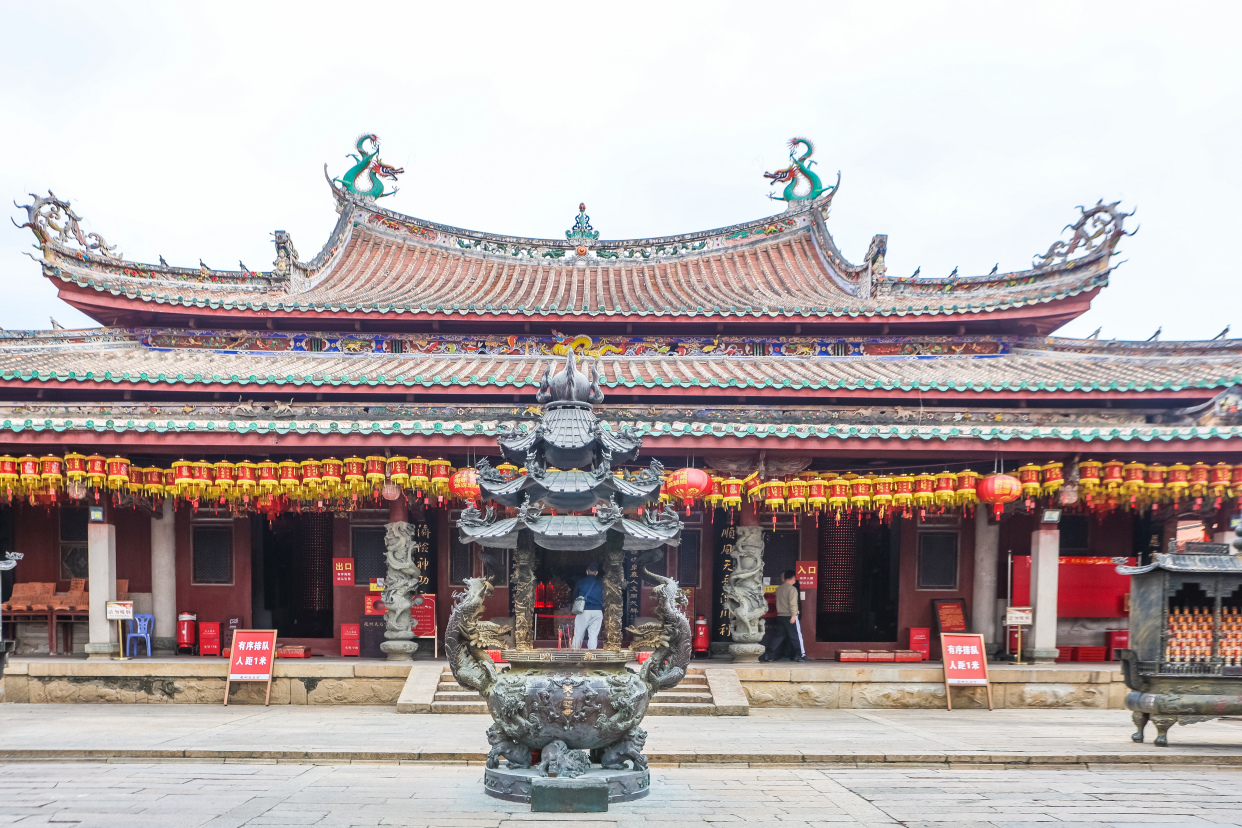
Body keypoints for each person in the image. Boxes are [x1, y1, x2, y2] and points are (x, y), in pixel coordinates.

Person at [760, 570, 805, 662]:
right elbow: (793, 603)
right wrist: (793, 615)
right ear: (793, 578)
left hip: (780, 616)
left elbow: (775, 596)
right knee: (796, 635)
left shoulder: (779, 589)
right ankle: (800, 654)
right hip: (789, 615)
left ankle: (768, 654)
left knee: (778, 636)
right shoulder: (792, 589)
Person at [572, 563, 604, 649]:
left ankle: (575, 654)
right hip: (597, 610)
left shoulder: (581, 582)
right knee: (593, 635)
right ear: (596, 572)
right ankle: (591, 656)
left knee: (578, 634)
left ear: (587, 572)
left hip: (584, 610)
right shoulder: (601, 583)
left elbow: (575, 595)